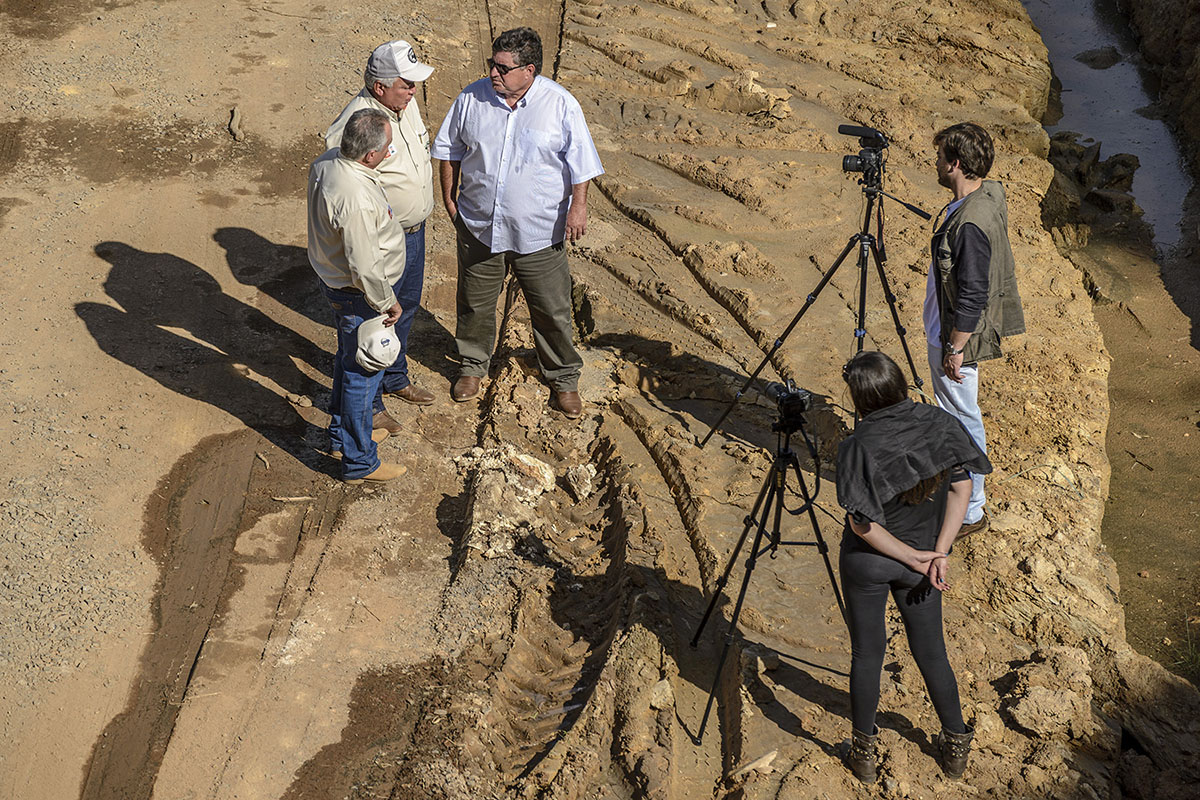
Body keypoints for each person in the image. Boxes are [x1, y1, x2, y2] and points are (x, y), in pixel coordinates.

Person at [431, 26, 604, 419]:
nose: (494, 73)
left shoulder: (560, 105)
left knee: (552, 309)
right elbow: (449, 149)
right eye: (493, 64)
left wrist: (578, 209)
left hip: (540, 232)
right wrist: (448, 196)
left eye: (503, 68)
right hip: (479, 226)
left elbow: (582, 165)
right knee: (474, 304)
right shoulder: (471, 98)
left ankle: (563, 377)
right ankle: (473, 367)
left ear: (530, 70)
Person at [836, 351, 992, 783]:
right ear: (900, 384)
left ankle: (864, 755)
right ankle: (955, 747)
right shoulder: (940, 423)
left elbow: (861, 523)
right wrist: (937, 553)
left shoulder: (856, 446)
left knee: (868, 653)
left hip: (870, 562)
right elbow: (962, 488)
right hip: (923, 562)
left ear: (860, 400)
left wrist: (907, 555)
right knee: (932, 652)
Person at [325, 39, 438, 439]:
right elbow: (344, 192)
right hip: (382, 242)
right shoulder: (354, 125)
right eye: (406, 84)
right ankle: (370, 408)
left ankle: (396, 377)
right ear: (379, 88)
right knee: (373, 326)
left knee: (404, 309)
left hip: (414, 232)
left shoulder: (403, 104)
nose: (413, 90)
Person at [924, 122, 1025, 535]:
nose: (934, 162)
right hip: (950, 331)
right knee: (960, 414)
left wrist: (954, 347)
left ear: (956, 164)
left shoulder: (970, 225)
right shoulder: (986, 193)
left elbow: (972, 294)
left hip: (955, 338)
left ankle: (970, 509)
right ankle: (963, 493)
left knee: (961, 417)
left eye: (940, 156)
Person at [307, 108, 406, 484]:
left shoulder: (328, 162)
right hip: (358, 294)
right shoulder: (357, 198)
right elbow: (364, 265)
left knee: (347, 360)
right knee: (362, 371)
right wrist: (386, 302)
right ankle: (360, 461)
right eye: (387, 149)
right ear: (369, 155)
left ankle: (342, 436)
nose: (390, 153)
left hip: (334, 282)